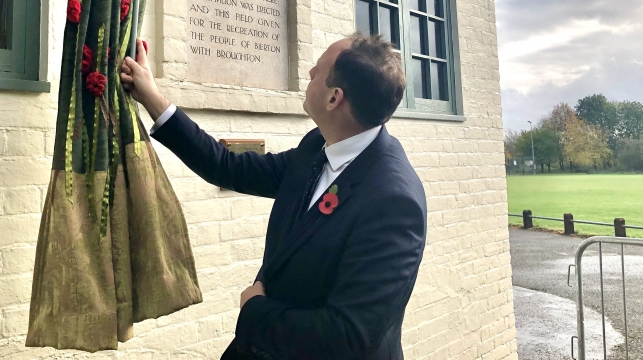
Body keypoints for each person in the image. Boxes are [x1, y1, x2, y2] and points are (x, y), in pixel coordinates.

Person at [120, 33, 427, 360]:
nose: (310, 72)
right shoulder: (316, 147)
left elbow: (348, 337)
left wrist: (254, 310)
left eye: (319, 70)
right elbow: (229, 167)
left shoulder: (393, 201)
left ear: (334, 98)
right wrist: (152, 97)